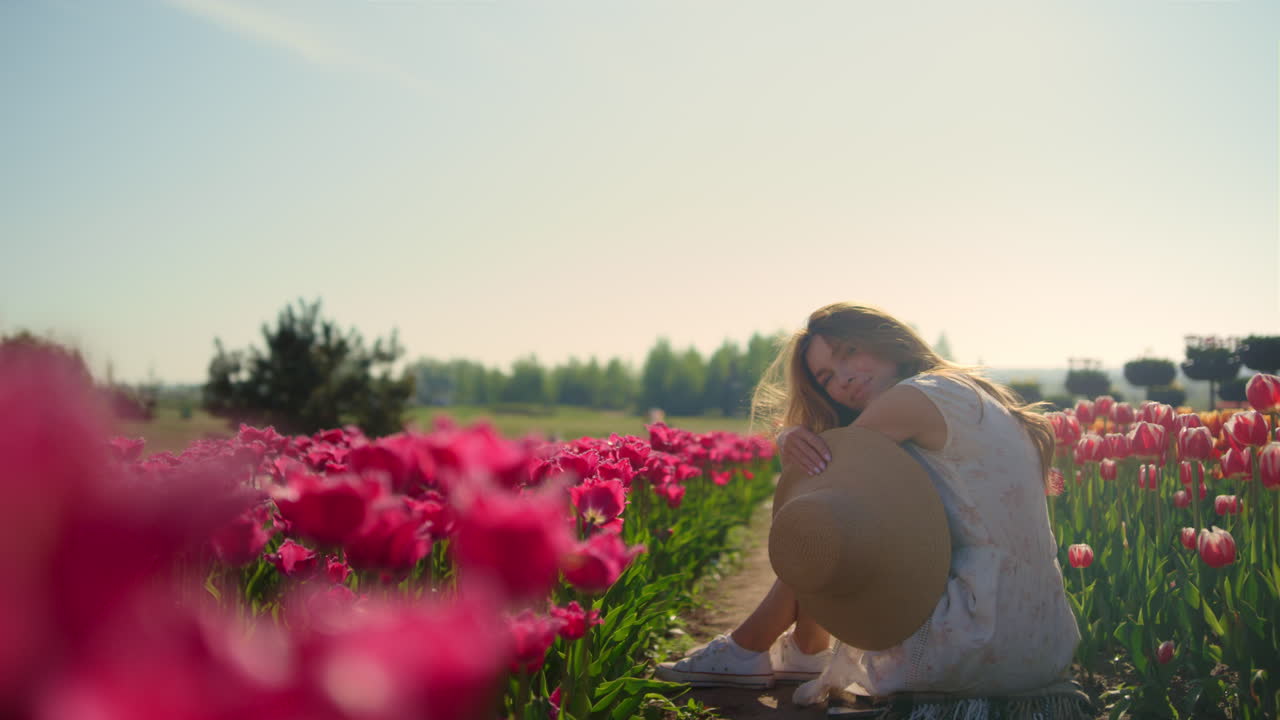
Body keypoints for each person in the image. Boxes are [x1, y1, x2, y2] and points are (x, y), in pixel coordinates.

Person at [656, 302, 1080, 704]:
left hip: (974, 634)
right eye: (824, 378)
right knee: (850, 513)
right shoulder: (959, 390)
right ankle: (806, 649)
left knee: (829, 519)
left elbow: (825, 490)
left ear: (886, 340)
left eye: (849, 352)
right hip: (1040, 636)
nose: (842, 377)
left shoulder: (914, 397)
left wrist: (789, 440)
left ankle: (748, 646)